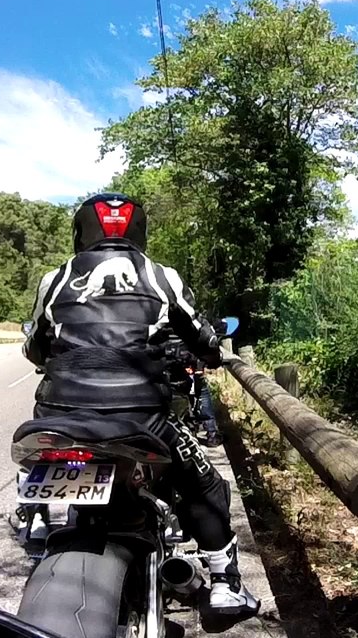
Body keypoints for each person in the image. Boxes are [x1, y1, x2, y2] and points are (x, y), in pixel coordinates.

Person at [20, 192, 259, 615]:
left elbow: (35, 348)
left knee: (43, 460)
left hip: (59, 416)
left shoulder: (54, 279)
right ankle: (225, 584)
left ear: (80, 231)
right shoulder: (160, 276)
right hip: (142, 417)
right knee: (203, 485)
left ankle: (36, 519)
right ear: (140, 232)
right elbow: (203, 338)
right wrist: (209, 353)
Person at [164, 332, 224, 448]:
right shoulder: (190, 320)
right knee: (202, 390)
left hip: (163, 369)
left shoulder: (150, 319)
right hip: (188, 365)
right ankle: (212, 433)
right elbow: (207, 339)